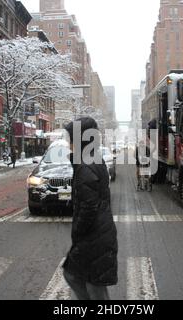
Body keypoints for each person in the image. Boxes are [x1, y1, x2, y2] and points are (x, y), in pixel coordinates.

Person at [63, 117, 118, 300]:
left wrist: (77, 232)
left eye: (70, 138)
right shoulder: (91, 160)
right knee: (85, 280)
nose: (68, 143)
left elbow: (88, 207)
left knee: (85, 281)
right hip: (99, 232)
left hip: (94, 236)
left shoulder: (86, 166)